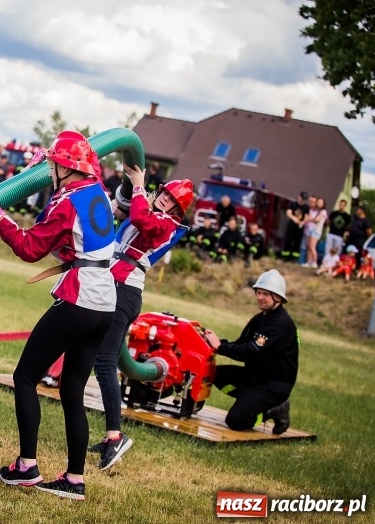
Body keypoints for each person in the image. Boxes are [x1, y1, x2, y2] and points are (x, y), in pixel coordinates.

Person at [0, 130, 116, 501]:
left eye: (52, 163)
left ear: (63, 166)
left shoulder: (67, 201)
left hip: (79, 298)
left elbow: (29, 248)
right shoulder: (98, 191)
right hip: (105, 301)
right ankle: (74, 479)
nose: (48, 168)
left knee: (24, 377)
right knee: (72, 389)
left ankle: (27, 466)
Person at [92, 168, 192, 471]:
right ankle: (110, 434)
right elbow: (126, 212)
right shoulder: (147, 208)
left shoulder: (166, 223)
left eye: (171, 200)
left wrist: (138, 187)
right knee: (98, 359)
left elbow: (140, 219)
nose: (164, 201)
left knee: (106, 362)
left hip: (125, 291)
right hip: (113, 284)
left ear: (178, 210)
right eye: (164, 194)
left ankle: (115, 436)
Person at [204, 269, 298, 435]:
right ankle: (249, 401)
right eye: (258, 293)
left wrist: (221, 347)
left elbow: (252, 351)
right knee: (211, 372)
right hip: (254, 377)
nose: (260, 297)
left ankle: (272, 410)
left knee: (236, 421)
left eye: (266, 294)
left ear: (278, 298)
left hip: (273, 386)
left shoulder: (280, 324)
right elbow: (242, 344)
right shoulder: (261, 318)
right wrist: (213, 343)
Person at [281, 192, 309, 262]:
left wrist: (303, 222)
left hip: (299, 228)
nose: (302, 200)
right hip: (291, 226)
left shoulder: (306, 207)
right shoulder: (293, 204)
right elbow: (288, 213)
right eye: (301, 198)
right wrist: (294, 218)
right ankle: (285, 256)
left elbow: (306, 216)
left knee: (297, 242)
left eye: (304, 199)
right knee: (288, 241)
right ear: (299, 197)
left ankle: (294, 258)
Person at [303, 196, 327, 267]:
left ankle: (314, 262)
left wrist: (309, 218)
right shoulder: (315, 210)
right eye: (318, 202)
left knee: (312, 247)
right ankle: (308, 262)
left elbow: (317, 220)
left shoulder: (323, 212)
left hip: (316, 231)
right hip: (310, 230)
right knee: (309, 246)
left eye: (320, 203)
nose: (319, 204)